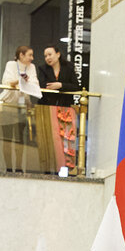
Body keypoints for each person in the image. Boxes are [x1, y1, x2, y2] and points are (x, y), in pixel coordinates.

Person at [36, 44, 80, 174]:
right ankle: (49, 169)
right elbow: (43, 85)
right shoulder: (43, 69)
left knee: (65, 140)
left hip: (65, 109)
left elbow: (76, 86)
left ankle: (67, 168)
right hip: (47, 108)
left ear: (58, 54)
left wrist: (60, 85)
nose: (47, 58)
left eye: (50, 54)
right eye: (45, 56)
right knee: (50, 139)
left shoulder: (69, 67)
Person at [0, 45, 39, 173]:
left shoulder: (31, 67)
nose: (32, 58)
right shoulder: (11, 64)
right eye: (29, 55)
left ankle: (19, 167)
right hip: (8, 103)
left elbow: (35, 84)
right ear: (21, 55)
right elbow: (7, 82)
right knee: (7, 139)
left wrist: (24, 81)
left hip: (22, 104)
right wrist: (20, 80)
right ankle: (9, 167)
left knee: (20, 138)